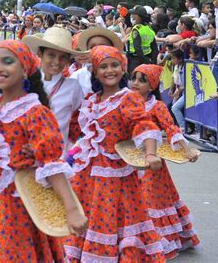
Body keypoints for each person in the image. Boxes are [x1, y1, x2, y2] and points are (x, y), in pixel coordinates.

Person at [0, 40, 87, 261]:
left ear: (25, 68)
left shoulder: (35, 112)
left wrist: (72, 208)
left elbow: (52, 165)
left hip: (19, 204)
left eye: (8, 62)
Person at [63, 45, 166, 262]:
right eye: (103, 67)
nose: (109, 71)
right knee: (85, 218)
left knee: (114, 219)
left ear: (122, 68)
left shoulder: (128, 98)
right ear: (95, 72)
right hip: (87, 174)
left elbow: (143, 124)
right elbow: (80, 132)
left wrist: (150, 154)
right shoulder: (92, 100)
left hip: (115, 174)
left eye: (114, 65)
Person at [130, 64, 200, 259]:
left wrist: (187, 150)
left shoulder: (157, 107)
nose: (135, 83)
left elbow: (171, 129)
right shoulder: (125, 102)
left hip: (153, 164)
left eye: (141, 80)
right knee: (134, 203)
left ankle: (156, 244)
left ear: (151, 86)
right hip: (128, 161)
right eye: (133, 78)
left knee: (152, 202)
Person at [23, 26, 83, 153]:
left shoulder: (73, 87)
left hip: (57, 157)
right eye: (51, 55)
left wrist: (70, 145)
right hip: (26, 155)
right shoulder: (26, 83)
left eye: (63, 57)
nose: (57, 61)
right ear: (40, 54)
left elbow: (79, 118)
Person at [127, 5, 158, 73]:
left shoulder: (136, 29)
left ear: (137, 16)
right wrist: (152, 61)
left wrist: (145, 61)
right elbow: (155, 48)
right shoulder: (149, 29)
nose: (132, 16)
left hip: (136, 60)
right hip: (147, 58)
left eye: (133, 14)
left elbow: (137, 47)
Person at [169, 49, 186, 131]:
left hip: (186, 93)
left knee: (175, 108)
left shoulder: (185, 68)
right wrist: (171, 90)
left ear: (180, 59)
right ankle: (174, 126)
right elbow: (173, 79)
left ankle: (183, 127)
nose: (172, 60)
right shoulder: (176, 66)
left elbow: (188, 84)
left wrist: (179, 90)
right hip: (179, 91)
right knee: (170, 107)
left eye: (173, 58)